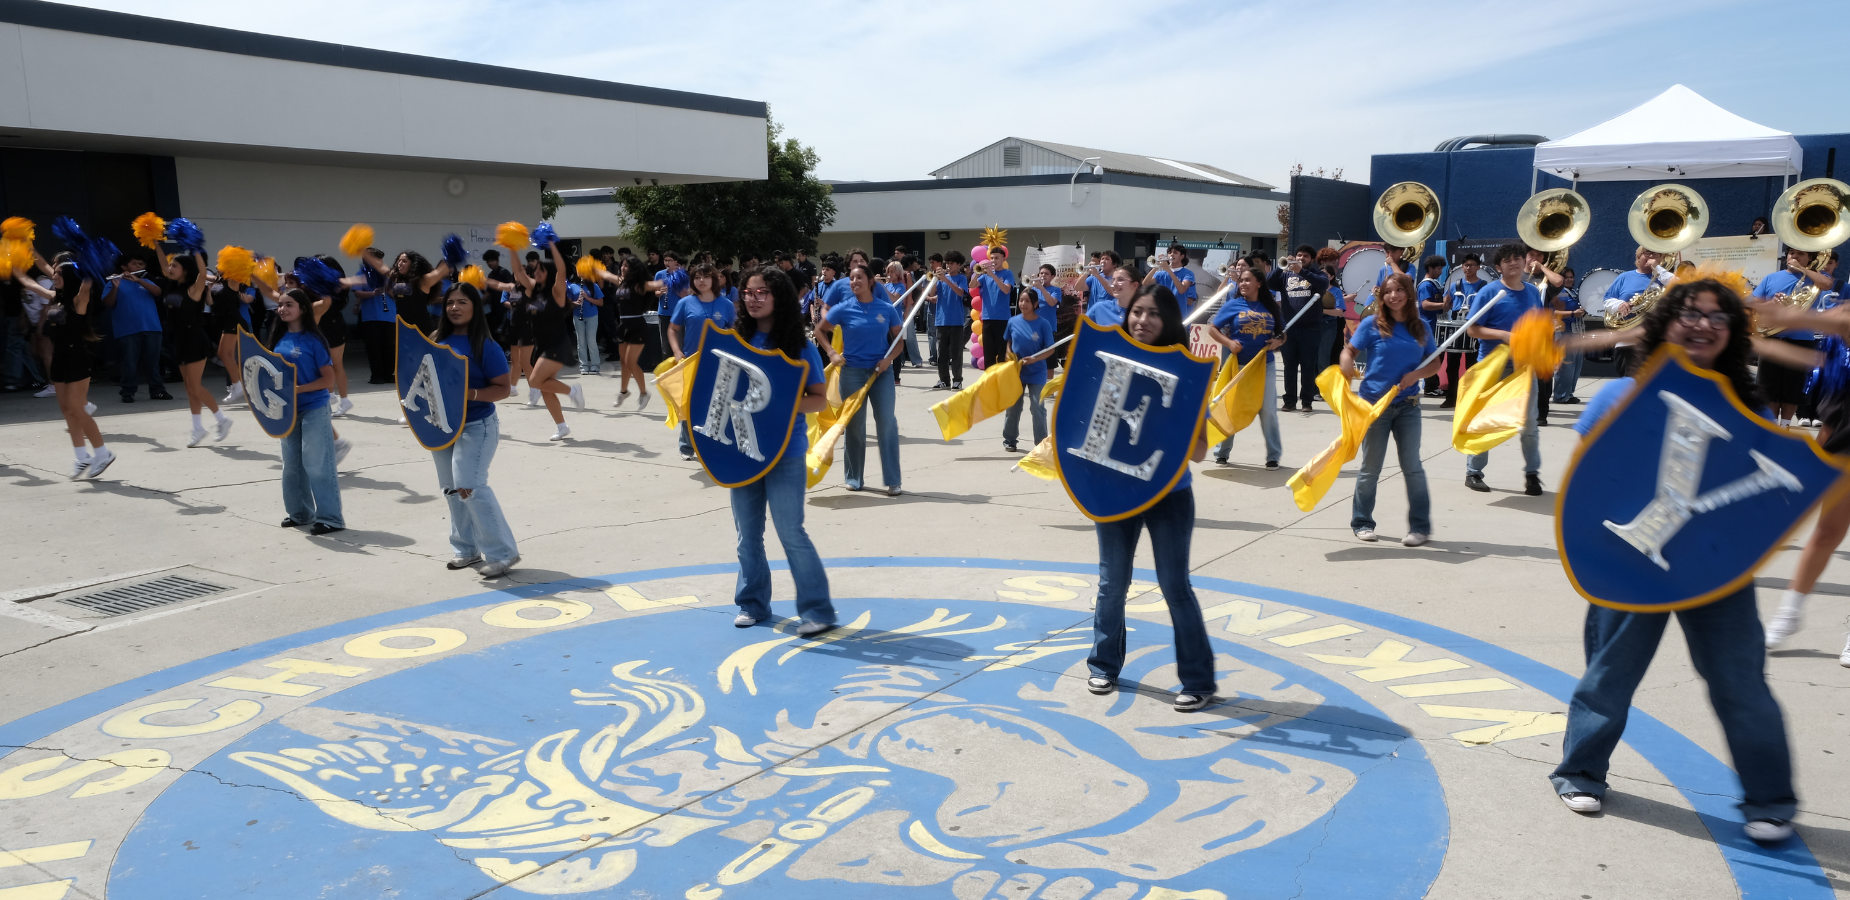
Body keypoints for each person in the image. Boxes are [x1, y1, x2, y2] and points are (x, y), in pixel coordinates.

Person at [1548, 278, 1797, 844]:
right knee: (1608, 676)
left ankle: (1771, 798)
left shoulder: (1750, 403)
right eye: (1689, 313)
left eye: (1717, 317)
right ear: (1664, 325)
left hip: (1716, 566)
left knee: (1740, 682)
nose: (1703, 324)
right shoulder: (1617, 397)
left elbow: (1770, 494)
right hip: (1630, 560)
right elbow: (1592, 486)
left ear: (1732, 334)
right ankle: (1580, 770)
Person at [1084, 283, 1216, 713]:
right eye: (1137, 311)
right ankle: (1104, 664)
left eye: (1153, 314)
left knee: (1175, 586)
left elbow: (1199, 450)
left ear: (1169, 321)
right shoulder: (1107, 363)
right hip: (1114, 490)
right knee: (1112, 584)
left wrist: (1184, 417)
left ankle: (1198, 679)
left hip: (1169, 495)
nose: (1142, 320)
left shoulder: (1189, 374)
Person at [729, 267, 836, 636]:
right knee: (747, 535)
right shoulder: (735, 340)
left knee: (791, 532)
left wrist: (778, 402)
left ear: (779, 297)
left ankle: (817, 610)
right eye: (747, 292)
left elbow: (818, 400)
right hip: (741, 450)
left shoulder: (798, 343)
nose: (753, 298)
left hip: (786, 451)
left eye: (762, 292)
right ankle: (752, 603)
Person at [429, 283, 519, 578]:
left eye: (462, 302)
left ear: (474, 307)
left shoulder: (486, 345)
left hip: (477, 425)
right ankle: (465, 550)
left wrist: (469, 394)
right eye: (450, 302)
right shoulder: (434, 341)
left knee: (469, 485)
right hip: (441, 427)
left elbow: (503, 389)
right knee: (452, 490)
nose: (454, 307)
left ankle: (502, 553)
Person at [1346, 273, 1439, 544]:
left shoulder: (1421, 327)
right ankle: (1362, 522)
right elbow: (1349, 351)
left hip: (1408, 405)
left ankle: (1420, 527)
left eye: (1399, 290)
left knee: (1412, 467)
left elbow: (1434, 364)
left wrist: (1417, 374)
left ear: (1409, 294)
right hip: (1374, 406)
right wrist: (1344, 363)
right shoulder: (1371, 324)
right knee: (1370, 467)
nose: (1394, 295)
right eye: (1388, 291)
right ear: (1381, 296)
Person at [1463, 243, 1546, 495]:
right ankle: (1473, 472)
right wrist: (1505, 335)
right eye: (1507, 260)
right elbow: (1472, 329)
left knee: (1529, 422)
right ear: (1498, 267)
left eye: (1518, 258)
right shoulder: (1489, 292)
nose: (1514, 263)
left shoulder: (1532, 292)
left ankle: (1532, 474)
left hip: (1524, 365)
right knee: (1486, 418)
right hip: (1493, 364)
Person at [21, 258, 112, 478]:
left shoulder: (79, 300)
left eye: (59, 273)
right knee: (66, 410)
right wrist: (13, 264)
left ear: (70, 278)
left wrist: (92, 260)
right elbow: (30, 283)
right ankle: (81, 457)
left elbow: (87, 284)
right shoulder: (55, 298)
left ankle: (102, 452)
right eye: (55, 273)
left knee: (76, 409)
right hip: (59, 359)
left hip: (77, 358)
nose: (54, 276)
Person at [818, 263, 904, 495]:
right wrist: (832, 352)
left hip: (881, 373)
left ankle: (893, 480)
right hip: (852, 373)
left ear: (870, 282)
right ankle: (854, 477)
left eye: (859, 278)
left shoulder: (886, 309)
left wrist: (888, 360)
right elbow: (820, 330)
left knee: (886, 423)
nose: (854, 282)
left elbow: (899, 341)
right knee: (855, 426)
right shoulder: (843, 308)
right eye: (851, 279)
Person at [269, 289, 343, 534]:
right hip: (287, 412)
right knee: (291, 465)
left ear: (303, 308)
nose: (282, 309)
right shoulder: (278, 339)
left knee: (316, 463)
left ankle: (331, 518)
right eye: (280, 305)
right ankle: (300, 514)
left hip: (314, 408)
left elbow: (328, 381)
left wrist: (297, 390)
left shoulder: (314, 340)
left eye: (289, 304)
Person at [507, 240, 584, 440]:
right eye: (536, 269)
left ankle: (572, 390)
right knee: (544, 385)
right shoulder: (532, 289)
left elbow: (561, 269)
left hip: (558, 343)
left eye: (541, 269)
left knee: (534, 380)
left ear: (548, 273)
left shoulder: (556, 292)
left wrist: (552, 245)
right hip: (541, 346)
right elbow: (517, 269)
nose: (537, 272)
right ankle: (562, 427)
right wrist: (511, 246)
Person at [1751, 246, 1836, 426]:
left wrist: (1803, 269)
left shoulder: (1815, 277)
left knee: (1794, 388)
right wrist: (1772, 303)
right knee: (1769, 386)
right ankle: (1773, 425)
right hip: (1772, 337)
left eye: (1800, 254)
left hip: (1801, 339)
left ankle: (1787, 425)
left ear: (1809, 258)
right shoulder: (1771, 278)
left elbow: (1827, 284)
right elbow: (1754, 305)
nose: (1794, 256)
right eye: (1791, 253)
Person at [1207, 266, 1283, 468]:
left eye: (1248, 280)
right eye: (1241, 280)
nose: (1243, 284)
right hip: (1237, 365)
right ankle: (1222, 452)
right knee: (1230, 407)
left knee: (1267, 410)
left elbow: (1282, 333)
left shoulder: (1271, 306)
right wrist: (1229, 343)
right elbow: (1213, 329)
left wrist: (1278, 342)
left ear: (1259, 283)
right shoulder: (1233, 305)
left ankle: (1273, 455)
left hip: (1263, 365)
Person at [159, 250, 233, 447]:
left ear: (185, 270)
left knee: (194, 386)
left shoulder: (194, 288)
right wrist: (156, 243)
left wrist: (197, 249)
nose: (170, 268)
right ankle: (198, 428)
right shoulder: (172, 286)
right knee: (189, 387)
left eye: (175, 266)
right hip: (179, 339)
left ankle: (222, 419)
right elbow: (163, 265)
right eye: (171, 265)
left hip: (194, 339)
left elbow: (201, 271)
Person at [669, 263, 739, 460]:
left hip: (719, 365)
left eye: (706, 277)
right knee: (689, 405)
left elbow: (735, 333)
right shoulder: (685, 303)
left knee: (716, 406)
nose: (701, 281)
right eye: (697, 277)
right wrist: (676, 351)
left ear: (714, 280)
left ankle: (709, 446)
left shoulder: (725, 305)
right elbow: (672, 329)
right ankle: (687, 447)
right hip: (691, 363)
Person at [1001, 283, 1059, 452]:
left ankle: (1040, 444)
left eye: (1027, 301)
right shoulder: (1012, 321)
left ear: (1035, 304)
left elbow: (1051, 349)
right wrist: (1008, 355)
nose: (1023, 304)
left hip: (1037, 372)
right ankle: (1009, 439)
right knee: (1013, 407)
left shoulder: (1043, 324)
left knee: (1037, 407)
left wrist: (1034, 359)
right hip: (1016, 372)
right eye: (1021, 300)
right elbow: (1009, 342)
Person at [103, 254, 169, 403]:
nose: (139, 266)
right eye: (134, 263)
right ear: (124, 267)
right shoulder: (113, 282)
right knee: (129, 363)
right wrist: (115, 287)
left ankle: (157, 390)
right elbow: (108, 303)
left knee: (153, 362)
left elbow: (158, 292)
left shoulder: (146, 281)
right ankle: (127, 392)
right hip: (127, 329)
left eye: (141, 264)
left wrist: (138, 280)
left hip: (152, 327)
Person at [1274, 245, 1330, 412]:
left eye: (1305, 256)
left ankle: (1307, 401)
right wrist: (1281, 267)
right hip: (1289, 328)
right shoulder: (1285, 276)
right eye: (1299, 255)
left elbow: (1323, 284)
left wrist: (1301, 271)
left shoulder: (1317, 275)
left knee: (1307, 366)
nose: (1301, 258)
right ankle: (1289, 400)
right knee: (1289, 365)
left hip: (1310, 329)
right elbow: (1269, 281)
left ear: (1311, 259)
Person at [1602, 246, 1668, 377]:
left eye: (1656, 254)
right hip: (1627, 341)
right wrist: (1620, 304)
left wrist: (1659, 270)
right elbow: (1607, 299)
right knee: (1628, 385)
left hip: (1656, 341)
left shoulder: (1664, 278)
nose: (1651, 257)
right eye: (1647, 253)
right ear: (1638, 257)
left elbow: (1680, 284)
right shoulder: (1625, 277)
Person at [1440, 254, 1488, 409]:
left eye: (1472, 265)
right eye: (1466, 265)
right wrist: (1445, 302)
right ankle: (1451, 397)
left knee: (1471, 365)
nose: (1468, 268)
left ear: (1478, 267)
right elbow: (1446, 305)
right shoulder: (1455, 285)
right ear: (1462, 267)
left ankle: (1469, 398)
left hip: (1474, 324)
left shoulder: (1484, 286)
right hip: (1456, 324)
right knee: (1452, 364)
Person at [607, 259, 654, 409]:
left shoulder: (640, 285)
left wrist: (674, 278)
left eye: (626, 265)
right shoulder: (621, 281)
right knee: (623, 362)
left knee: (630, 362)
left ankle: (644, 393)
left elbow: (656, 284)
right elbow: (605, 274)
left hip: (637, 325)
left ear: (633, 268)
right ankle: (624, 391)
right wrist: (590, 267)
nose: (622, 267)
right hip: (624, 325)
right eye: (622, 265)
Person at [353, 247, 396, 384]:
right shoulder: (361, 274)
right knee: (374, 348)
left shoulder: (388, 275)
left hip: (389, 316)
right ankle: (377, 376)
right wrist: (373, 293)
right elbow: (357, 293)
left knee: (389, 347)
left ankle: (389, 375)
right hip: (370, 317)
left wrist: (388, 289)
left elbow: (398, 294)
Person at [931, 250, 970, 389]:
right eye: (947, 263)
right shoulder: (941, 279)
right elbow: (931, 293)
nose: (948, 265)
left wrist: (946, 279)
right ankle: (943, 380)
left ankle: (957, 379)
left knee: (956, 353)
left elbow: (960, 292)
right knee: (942, 354)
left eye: (951, 263)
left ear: (958, 264)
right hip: (941, 321)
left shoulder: (961, 278)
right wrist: (936, 278)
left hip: (956, 321)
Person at [973, 246, 1015, 369]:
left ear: (1003, 259)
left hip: (1002, 319)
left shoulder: (1008, 273)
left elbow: (1006, 289)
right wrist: (977, 274)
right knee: (989, 354)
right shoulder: (985, 276)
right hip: (987, 318)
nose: (993, 260)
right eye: (991, 258)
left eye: (996, 258)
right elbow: (972, 285)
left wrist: (993, 275)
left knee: (1002, 354)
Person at [1551, 268, 1586, 403]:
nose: (1570, 279)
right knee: (1566, 365)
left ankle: (1569, 393)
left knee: (1576, 364)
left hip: (1577, 331)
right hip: (1564, 331)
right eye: (1566, 277)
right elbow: (1552, 312)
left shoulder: (1575, 292)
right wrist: (1572, 314)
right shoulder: (1558, 293)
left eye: (1571, 277)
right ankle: (1561, 395)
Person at [1416, 256, 1447, 396]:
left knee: (1436, 356)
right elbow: (1425, 305)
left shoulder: (1433, 284)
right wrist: (1443, 304)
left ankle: (1432, 385)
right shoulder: (1426, 285)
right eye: (1439, 268)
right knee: (1431, 357)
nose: (1441, 271)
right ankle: (1430, 387)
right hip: (1428, 326)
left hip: (1435, 325)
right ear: (1430, 268)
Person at [1143, 242, 1198, 312]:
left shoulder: (1188, 273)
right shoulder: (1161, 274)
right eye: (1169, 252)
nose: (1171, 254)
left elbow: (1181, 289)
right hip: (1163, 314)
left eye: (1175, 252)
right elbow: (1145, 284)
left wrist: (1168, 270)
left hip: (1180, 315)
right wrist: (1156, 266)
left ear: (1182, 256)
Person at [570, 275, 603, 376]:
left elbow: (601, 302)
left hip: (592, 316)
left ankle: (595, 365)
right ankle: (583, 365)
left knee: (591, 341)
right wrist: (576, 303)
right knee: (581, 341)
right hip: (577, 316)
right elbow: (567, 303)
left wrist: (587, 298)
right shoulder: (572, 286)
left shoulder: (594, 286)